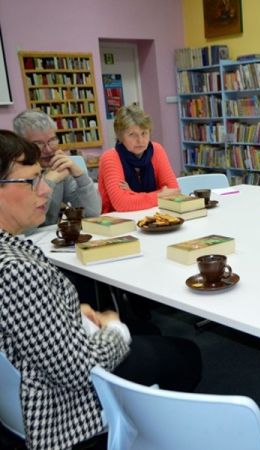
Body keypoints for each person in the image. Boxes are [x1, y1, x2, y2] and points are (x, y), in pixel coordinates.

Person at [0, 130, 202, 449]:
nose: (44, 190)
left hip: (24, 386)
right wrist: (114, 327)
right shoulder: (17, 269)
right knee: (186, 355)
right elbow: (80, 370)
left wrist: (66, 310)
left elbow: (20, 317)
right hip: (62, 411)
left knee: (152, 335)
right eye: (31, 181)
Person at [13, 110, 101, 226]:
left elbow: (92, 213)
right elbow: (25, 228)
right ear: (21, 145)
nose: (48, 149)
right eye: (38, 144)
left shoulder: (58, 167)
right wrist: (49, 181)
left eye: (52, 140)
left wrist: (80, 175)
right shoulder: (13, 175)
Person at [98, 104, 180, 212]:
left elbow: (174, 191)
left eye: (144, 133)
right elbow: (122, 204)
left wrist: (132, 194)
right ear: (120, 137)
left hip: (153, 216)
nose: (140, 140)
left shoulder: (156, 150)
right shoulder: (110, 158)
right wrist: (160, 195)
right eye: (132, 134)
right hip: (118, 222)